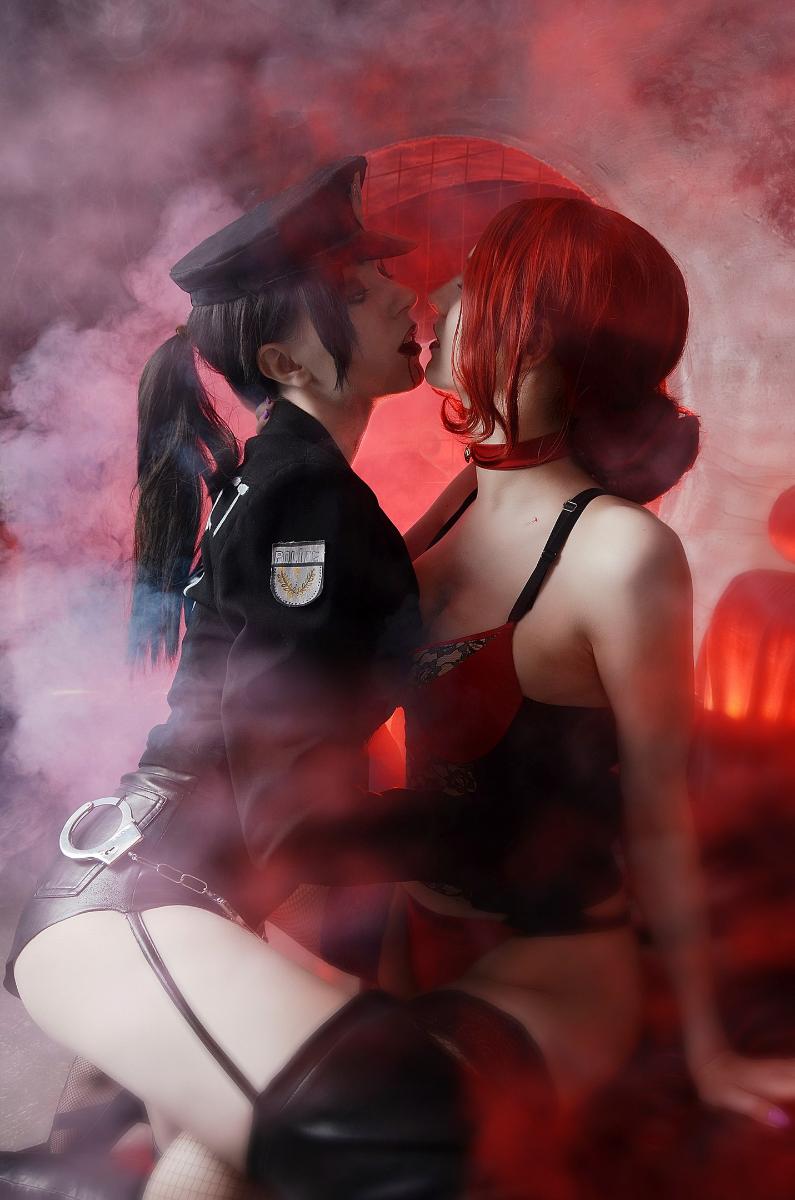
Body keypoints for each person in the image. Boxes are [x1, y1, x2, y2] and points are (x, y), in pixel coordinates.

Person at [1, 157, 535, 1200]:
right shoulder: (306, 499)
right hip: (144, 902)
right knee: (401, 1128)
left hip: (160, 893)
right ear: (288, 358)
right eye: (360, 291)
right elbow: (288, 795)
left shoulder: (300, 482)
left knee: (226, 1159)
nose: (402, 298)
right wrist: (491, 837)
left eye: (382, 276)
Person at [388, 195, 795, 1134]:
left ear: (536, 334)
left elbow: (659, 817)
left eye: (472, 279)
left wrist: (705, 1050)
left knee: (274, 1148)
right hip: (412, 935)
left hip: (551, 968)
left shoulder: (621, 555)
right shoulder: (464, 495)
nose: (436, 293)